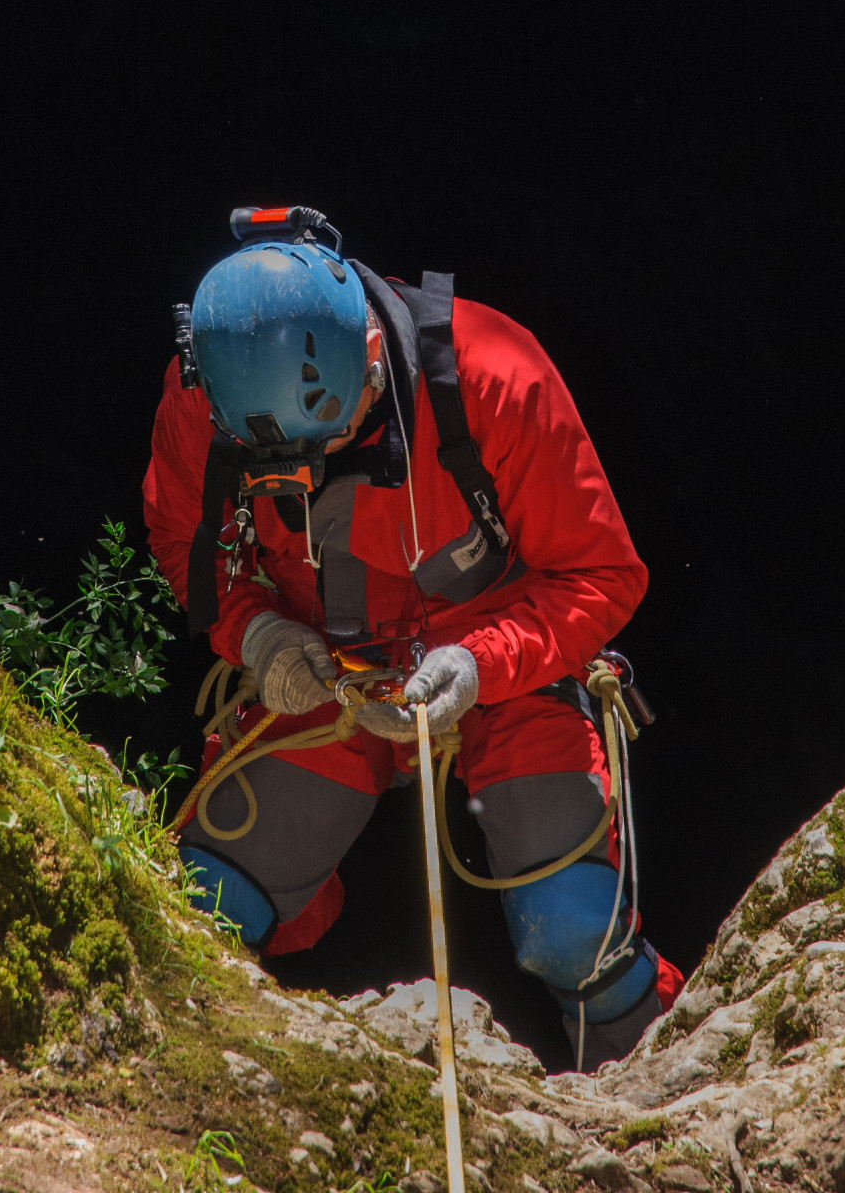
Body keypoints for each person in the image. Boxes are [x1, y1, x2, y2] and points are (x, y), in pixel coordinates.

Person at [143, 207, 682, 1069]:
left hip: (503, 650)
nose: (307, 469)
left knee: (574, 934)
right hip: (324, 665)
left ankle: (655, 1084)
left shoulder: (490, 376)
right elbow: (187, 546)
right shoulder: (203, 399)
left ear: (369, 355)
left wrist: (478, 663)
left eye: (329, 436)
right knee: (210, 904)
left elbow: (600, 574)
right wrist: (259, 637)